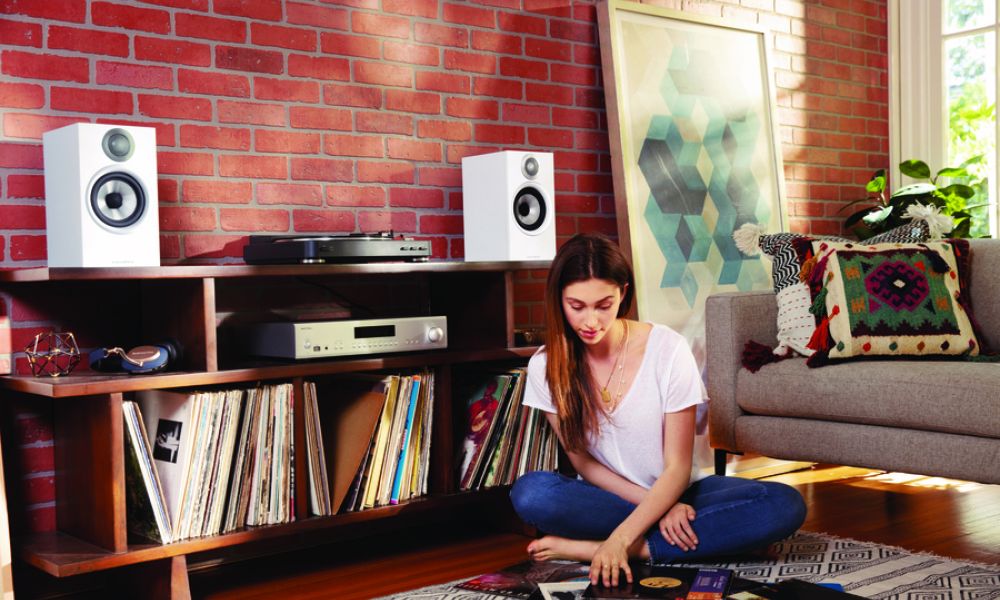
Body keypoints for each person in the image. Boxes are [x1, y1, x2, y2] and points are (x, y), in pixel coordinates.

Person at [509, 233, 806, 588]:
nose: (591, 321)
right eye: (577, 306)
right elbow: (583, 464)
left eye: (604, 305)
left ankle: (601, 549)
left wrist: (622, 539)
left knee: (785, 504)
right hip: (609, 498)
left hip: (682, 490)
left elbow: (678, 467)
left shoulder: (667, 348)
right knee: (532, 493)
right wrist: (659, 509)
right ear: (559, 299)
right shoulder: (547, 365)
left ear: (623, 291)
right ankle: (711, 539)